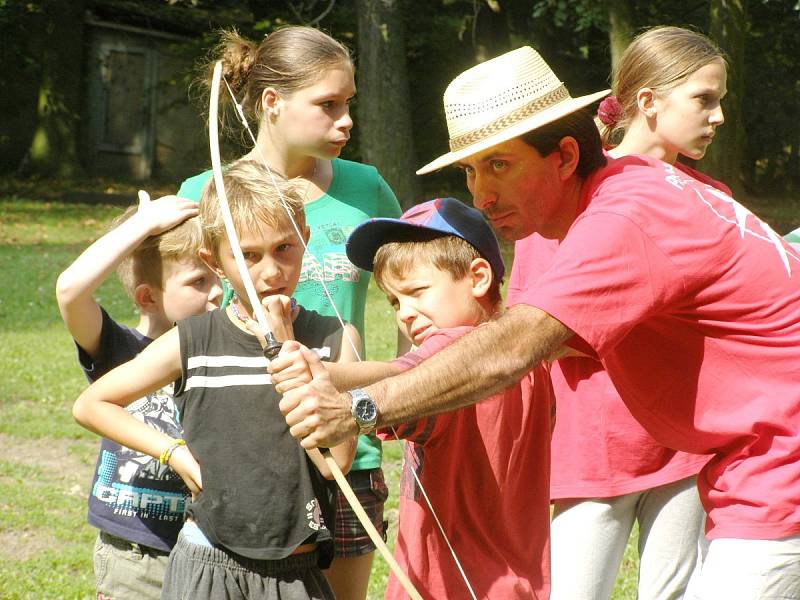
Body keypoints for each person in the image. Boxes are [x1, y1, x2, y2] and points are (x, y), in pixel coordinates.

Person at [278, 45, 800, 600]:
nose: (481, 194)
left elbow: (511, 347)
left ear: (566, 156)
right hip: (754, 458)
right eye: (472, 170)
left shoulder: (625, 215)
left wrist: (360, 408)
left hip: (777, 456)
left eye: (500, 164)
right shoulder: (633, 187)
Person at [176, 26, 402, 598]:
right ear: (272, 103)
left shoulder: (366, 188)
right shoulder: (210, 189)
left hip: (346, 441)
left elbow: (412, 298)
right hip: (244, 451)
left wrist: (407, 393)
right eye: (327, 105)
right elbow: (180, 311)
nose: (346, 120)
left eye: (348, 103)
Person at [72, 160, 359, 600]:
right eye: (247, 255)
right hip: (206, 563)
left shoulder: (335, 339)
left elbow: (332, 464)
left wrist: (287, 350)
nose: (271, 271)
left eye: (285, 247)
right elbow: (91, 405)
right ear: (215, 261)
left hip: (294, 569)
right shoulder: (192, 340)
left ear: (305, 237)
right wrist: (176, 454)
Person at [509, 26, 728, 599]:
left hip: (686, 445)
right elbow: (537, 328)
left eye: (720, 99)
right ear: (649, 102)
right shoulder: (570, 194)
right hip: (594, 447)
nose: (719, 115)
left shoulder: (711, 197)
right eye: (705, 99)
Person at [272, 197, 554, 598]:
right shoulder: (529, 363)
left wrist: (322, 371)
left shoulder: (453, 350)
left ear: (477, 278)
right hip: (517, 583)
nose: (404, 312)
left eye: (417, 292)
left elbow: (400, 377)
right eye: (394, 301)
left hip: (448, 588)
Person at [55, 193, 222, 599]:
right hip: (136, 557)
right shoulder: (118, 348)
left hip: (208, 549)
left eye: (219, 277)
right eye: (199, 282)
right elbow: (70, 291)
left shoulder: (223, 345)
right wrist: (142, 226)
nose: (217, 292)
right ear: (148, 296)